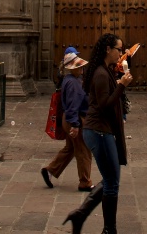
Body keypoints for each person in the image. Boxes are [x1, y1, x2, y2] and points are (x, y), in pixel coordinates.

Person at [63, 33, 132, 234]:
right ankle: (109, 230)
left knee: (111, 179)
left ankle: (81, 215)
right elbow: (104, 106)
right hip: (99, 131)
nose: (121, 53)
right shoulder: (101, 74)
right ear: (108, 50)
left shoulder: (105, 71)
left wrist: (120, 81)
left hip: (102, 130)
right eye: (119, 49)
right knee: (112, 183)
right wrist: (121, 86)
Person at [41, 52, 94, 192]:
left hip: (69, 119)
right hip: (75, 119)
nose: (82, 69)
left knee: (70, 149)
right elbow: (72, 105)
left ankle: (50, 170)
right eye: (79, 67)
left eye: (82, 66)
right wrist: (75, 125)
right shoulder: (74, 83)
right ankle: (85, 182)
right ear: (71, 68)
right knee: (83, 150)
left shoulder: (70, 79)